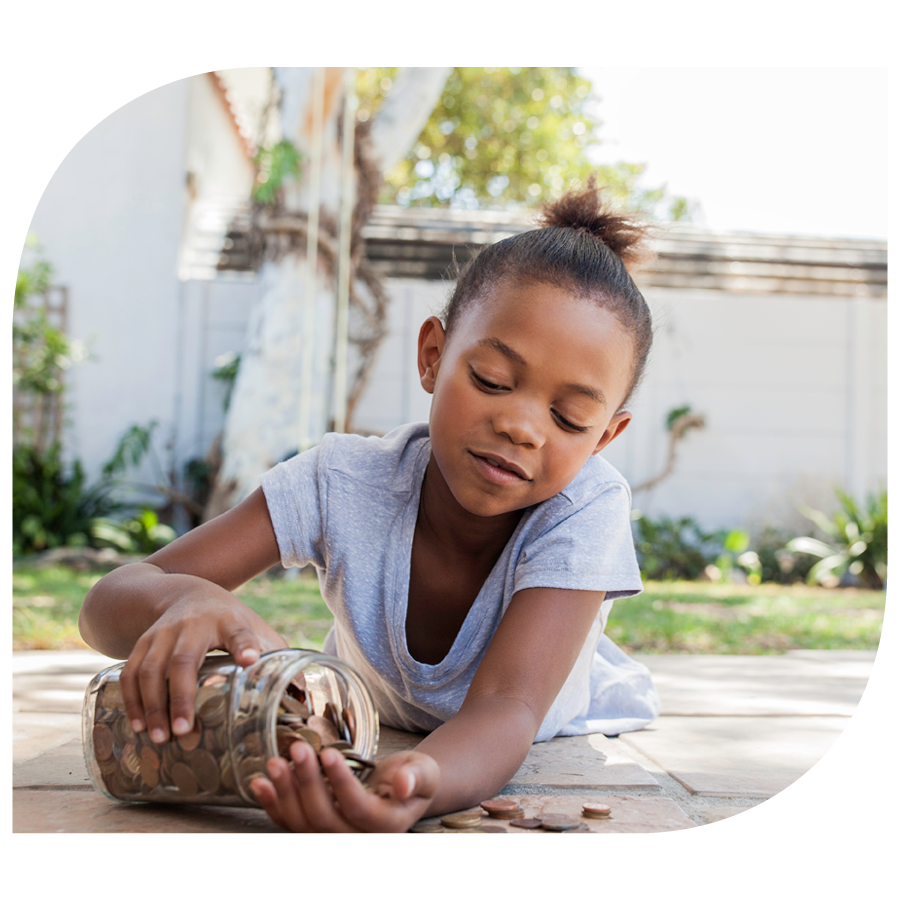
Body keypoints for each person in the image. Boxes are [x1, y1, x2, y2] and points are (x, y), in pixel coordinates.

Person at [79, 176, 660, 833]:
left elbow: (508, 707)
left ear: (605, 436)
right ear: (434, 357)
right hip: (375, 708)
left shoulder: (586, 506)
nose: (523, 427)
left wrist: (421, 782)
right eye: (493, 381)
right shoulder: (345, 480)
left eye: (570, 417)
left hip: (547, 712)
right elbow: (105, 606)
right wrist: (183, 598)